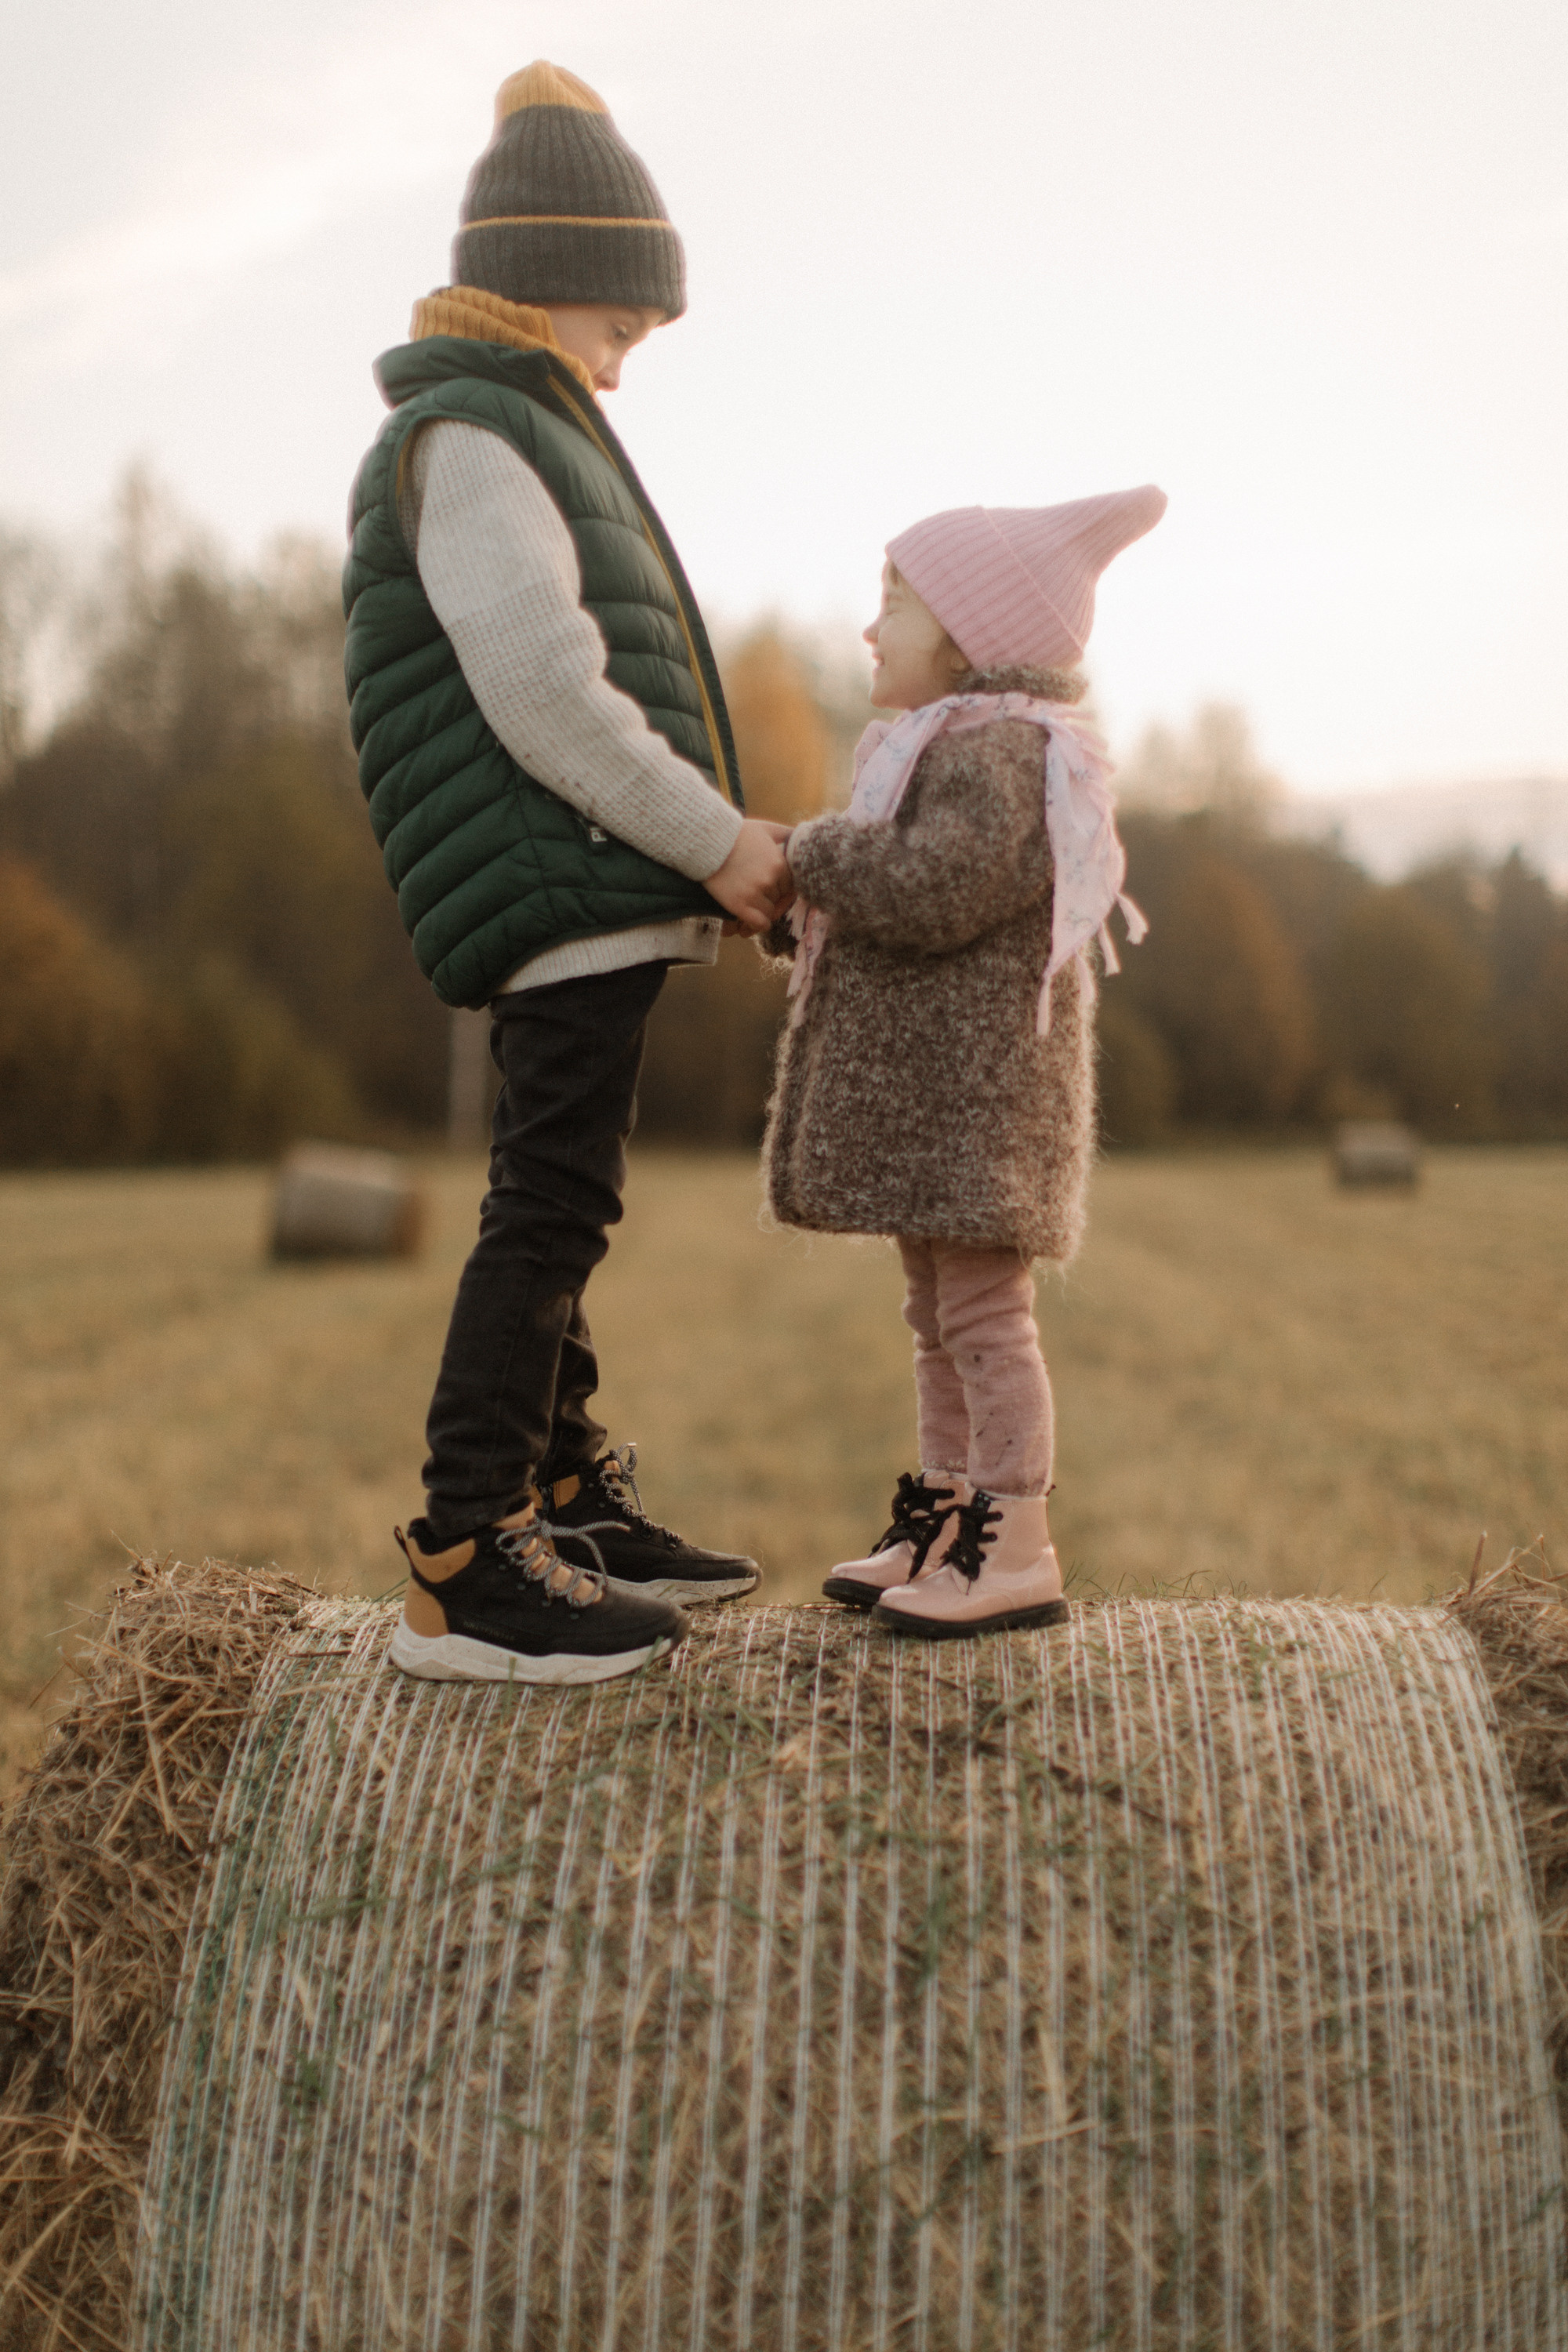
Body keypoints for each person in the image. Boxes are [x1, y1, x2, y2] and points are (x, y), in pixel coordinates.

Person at [343, 62, 792, 1686]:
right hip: (558, 874)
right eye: (623, 330)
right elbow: (545, 695)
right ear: (549, 286)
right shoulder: (471, 432)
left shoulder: (522, 420)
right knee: (551, 1200)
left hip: (582, 877)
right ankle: (470, 1549)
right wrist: (723, 844)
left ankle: (559, 1489)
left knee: (559, 1193)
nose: (628, 365)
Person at [762, 488, 1167, 1637]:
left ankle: (1015, 1533)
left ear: (975, 636)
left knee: (984, 1318)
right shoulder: (943, 744)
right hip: (945, 1107)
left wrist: (812, 851)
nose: (870, 628)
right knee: (937, 1317)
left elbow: (933, 886)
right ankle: (945, 1510)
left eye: (894, 603)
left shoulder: (1001, 751)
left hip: (980, 1110)